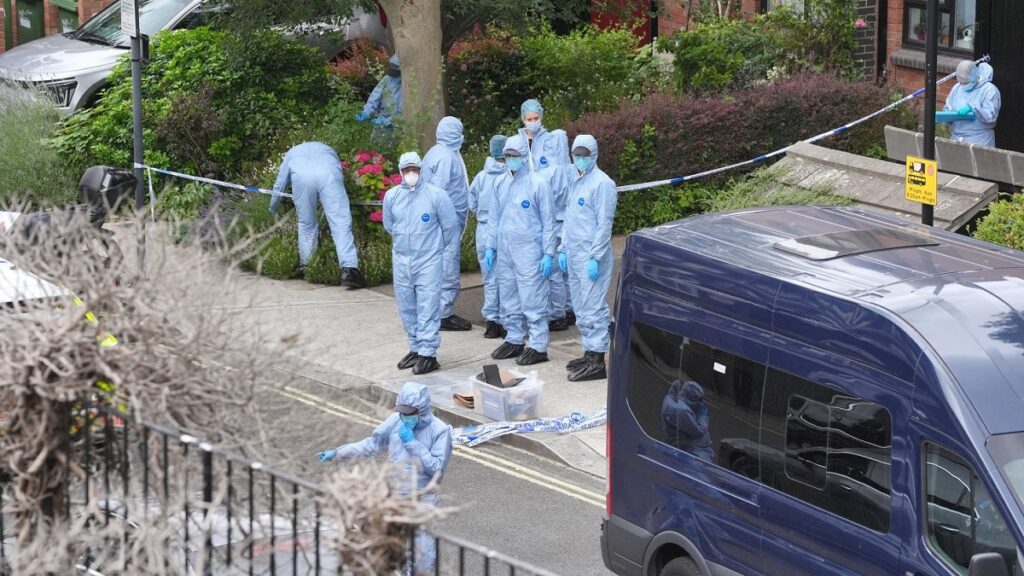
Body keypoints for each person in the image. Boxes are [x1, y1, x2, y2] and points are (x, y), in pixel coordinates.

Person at [316, 381, 452, 575]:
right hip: (394, 499)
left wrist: (412, 443)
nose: (404, 416)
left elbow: (437, 469)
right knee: (388, 554)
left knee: (423, 559)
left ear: (421, 410)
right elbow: (372, 445)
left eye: (409, 412)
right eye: (402, 411)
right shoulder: (396, 421)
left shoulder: (440, 431)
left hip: (422, 502)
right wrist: (338, 453)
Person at [383, 152, 458, 375]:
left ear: (421, 170)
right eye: (406, 170)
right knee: (406, 307)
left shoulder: (436, 195)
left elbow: (450, 228)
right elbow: (389, 225)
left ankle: (428, 353)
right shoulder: (392, 196)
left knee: (427, 307)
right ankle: (415, 347)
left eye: (414, 169)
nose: (411, 174)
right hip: (402, 260)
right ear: (400, 172)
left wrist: (437, 254)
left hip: (428, 261)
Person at [485, 135, 555, 365]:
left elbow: (548, 221)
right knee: (508, 295)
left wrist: (548, 253)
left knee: (532, 298)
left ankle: (537, 344)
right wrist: (491, 247)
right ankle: (514, 338)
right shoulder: (499, 183)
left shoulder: (538, 183)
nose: (511, 160)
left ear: (524, 156)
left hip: (529, 251)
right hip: (505, 251)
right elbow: (493, 218)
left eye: (515, 156)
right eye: (508, 156)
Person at [558, 135, 617, 381]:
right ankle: (589, 351)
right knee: (580, 307)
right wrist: (562, 247)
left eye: (584, 155)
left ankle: (597, 360)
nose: (580, 160)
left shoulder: (603, 184)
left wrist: (595, 256)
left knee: (593, 307)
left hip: (593, 255)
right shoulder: (576, 180)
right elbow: (569, 217)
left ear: (594, 155)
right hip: (574, 253)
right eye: (576, 155)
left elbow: (604, 224)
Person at [269, 142, 365, 289]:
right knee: (340, 223)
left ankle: (307, 266)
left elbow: (280, 184)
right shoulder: (329, 150)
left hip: (302, 175)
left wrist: (273, 208)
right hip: (329, 171)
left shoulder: (292, 153)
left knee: (306, 223)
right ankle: (349, 270)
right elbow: (338, 174)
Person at [422, 116, 472, 332]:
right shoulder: (446, 157)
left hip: (445, 220)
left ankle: (438, 310)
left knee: (439, 264)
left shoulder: (438, 152)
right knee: (447, 265)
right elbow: (439, 192)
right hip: (446, 221)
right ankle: (444, 313)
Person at [468, 135, 509, 340]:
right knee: (507, 278)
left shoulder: (481, 177)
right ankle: (506, 320)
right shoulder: (511, 176)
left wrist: (482, 216)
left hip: (484, 231)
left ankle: (491, 321)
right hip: (504, 230)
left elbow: (471, 202)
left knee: (489, 278)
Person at [545, 129, 574, 332]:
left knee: (554, 272)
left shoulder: (547, 173)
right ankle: (570, 308)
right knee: (568, 271)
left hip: (553, 224)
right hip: (571, 225)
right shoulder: (573, 170)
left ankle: (558, 313)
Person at [944, 60, 1001, 147]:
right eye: (960, 82)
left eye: (965, 82)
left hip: (980, 140)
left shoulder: (989, 90)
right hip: (956, 138)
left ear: (974, 77)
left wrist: (973, 108)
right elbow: (949, 105)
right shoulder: (956, 88)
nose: (962, 85)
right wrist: (947, 115)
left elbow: (990, 117)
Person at [661, 380, 713, 461]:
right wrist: (703, 416)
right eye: (699, 399)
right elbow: (698, 431)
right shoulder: (682, 411)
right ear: (691, 398)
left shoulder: (676, 401)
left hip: (683, 449)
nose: (702, 403)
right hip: (687, 453)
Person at [356, 55, 402, 126]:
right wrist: (366, 112)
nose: (392, 75)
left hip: (397, 125)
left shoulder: (406, 86)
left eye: (395, 71)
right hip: (382, 118)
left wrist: (386, 121)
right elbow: (376, 95)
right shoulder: (387, 79)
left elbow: (402, 111)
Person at [517, 99, 560, 175]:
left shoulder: (549, 139)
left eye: (536, 118)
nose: (533, 122)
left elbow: (555, 169)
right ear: (523, 120)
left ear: (541, 117)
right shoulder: (517, 142)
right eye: (529, 119)